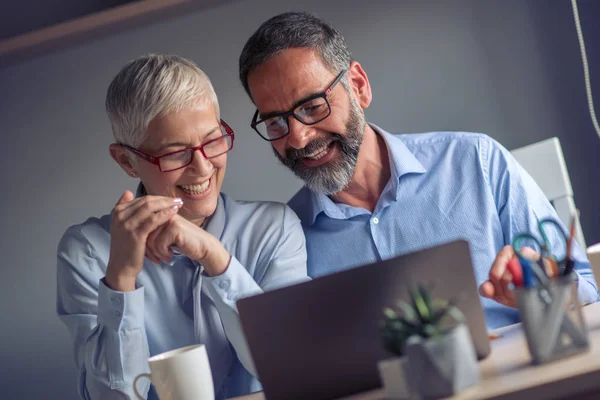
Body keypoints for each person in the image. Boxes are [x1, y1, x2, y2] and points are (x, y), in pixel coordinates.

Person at [238, 11, 599, 329]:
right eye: (275, 123)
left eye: (313, 106)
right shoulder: (285, 240)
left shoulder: (478, 161)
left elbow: (587, 292)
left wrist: (546, 290)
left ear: (359, 87)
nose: (298, 138)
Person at [56, 54, 307, 400]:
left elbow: (293, 369)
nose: (202, 168)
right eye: (175, 153)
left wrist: (215, 257)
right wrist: (121, 279)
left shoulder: (274, 229)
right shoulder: (89, 251)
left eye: (213, 140)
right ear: (126, 160)